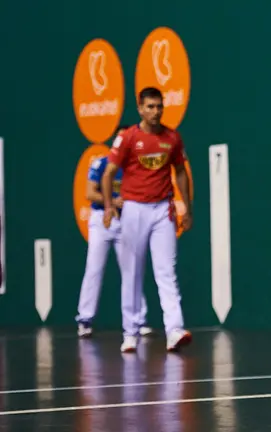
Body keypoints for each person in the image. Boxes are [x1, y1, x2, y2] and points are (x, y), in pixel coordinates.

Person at [101, 87, 193, 353]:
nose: (155, 111)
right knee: (132, 272)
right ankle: (130, 332)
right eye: (150, 107)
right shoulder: (128, 137)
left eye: (159, 106)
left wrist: (187, 208)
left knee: (167, 271)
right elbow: (108, 174)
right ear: (140, 109)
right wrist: (108, 207)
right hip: (133, 209)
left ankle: (174, 330)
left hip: (163, 210)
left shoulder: (172, 138)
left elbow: (181, 172)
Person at [75, 125, 153, 339]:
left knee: (132, 270)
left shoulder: (136, 167)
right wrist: (111, 201)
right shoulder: (101, 164)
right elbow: (90, 193)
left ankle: (138, 320)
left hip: (125, 221)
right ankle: (85, 319)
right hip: (102, 221)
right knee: (94, 269)